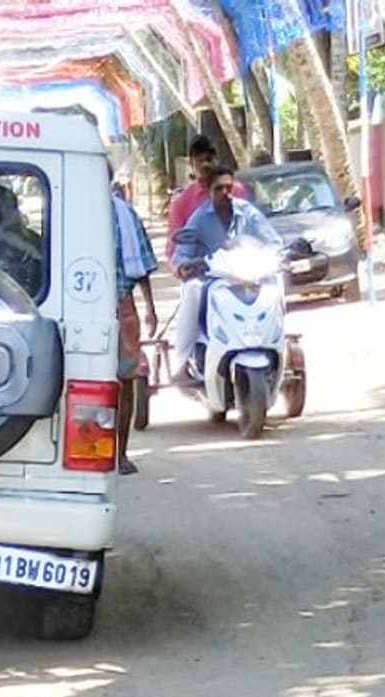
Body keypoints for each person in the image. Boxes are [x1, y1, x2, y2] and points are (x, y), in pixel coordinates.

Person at [170, 165, 283, 381]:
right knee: (192, 290)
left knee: (276, 282)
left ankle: (276, 340)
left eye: (229, 188)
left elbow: (274, 242)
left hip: (249, 276)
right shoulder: (200, 218)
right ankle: (182, 363)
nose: (225, 193)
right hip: (214, 280)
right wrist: (184, 265)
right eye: (219, 189)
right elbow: (182, 252)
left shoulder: (249, 213)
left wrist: (277, 257)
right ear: (210, 191)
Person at [112, 180, 159, 475]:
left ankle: (121, 453)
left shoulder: (125, 214)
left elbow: (141, 265)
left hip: (121, 303)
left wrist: (150, 307)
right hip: (92, 304)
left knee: (126, 379)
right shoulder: (78, 211)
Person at [166, 134, 248, 263]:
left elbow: (252, 229)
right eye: (199, 160)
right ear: (191, 163)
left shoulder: (236, 191)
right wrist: (183, 269)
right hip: (200, 272)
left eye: (209, 159)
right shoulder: (182, 202)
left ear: (217, 159)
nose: (205, 164)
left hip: (238, 265)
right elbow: (174, 248)